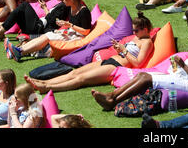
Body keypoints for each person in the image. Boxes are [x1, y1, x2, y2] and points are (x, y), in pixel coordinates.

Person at [91, 22, 188, 111]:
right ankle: (112, 96)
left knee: (146, 79)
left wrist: (183, 65)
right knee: (141, 75)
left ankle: (113, 100)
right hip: (176, 77)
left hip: (187, 85)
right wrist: (175, 65)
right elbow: (181, 70)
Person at [24, 12, 154, 93]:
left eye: (136, 31)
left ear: (145, 29)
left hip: (115, 67)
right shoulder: (138, 38)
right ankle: (45, 83)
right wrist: (119, 48)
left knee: (81, 79)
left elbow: (138, 63)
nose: (134, 33)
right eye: (133, 31)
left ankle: (47, 88)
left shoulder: (147, 42)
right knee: (74, 72)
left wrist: (124, 50)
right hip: (109, 60)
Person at [5, 0, 91, 62]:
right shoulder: (71, 8)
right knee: (47, 35)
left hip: (77, 37)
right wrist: (65, 25)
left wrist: (69, 25)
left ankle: (19, 52)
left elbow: (86, 31)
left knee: (48, 36)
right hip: (70, 32)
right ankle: (18, 50)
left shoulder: (84, 11)